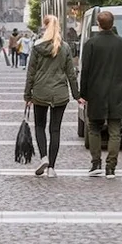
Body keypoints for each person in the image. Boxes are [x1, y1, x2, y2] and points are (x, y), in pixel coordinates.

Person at [79, 10, 122, 179]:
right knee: (115, 131)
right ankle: (111, 167)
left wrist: (82, 93)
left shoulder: (91, 44)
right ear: (113, 24)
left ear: (98, 25)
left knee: (94, 128)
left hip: (96, 92)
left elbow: (85, 71)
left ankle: (95, 163)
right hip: (117, 92)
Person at [24, 15, 81, 178]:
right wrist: (77, 96)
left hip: (41, 92)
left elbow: (31, 73)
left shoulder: (37, 47)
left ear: (44, 28)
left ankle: (43, 157)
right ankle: (52, 168)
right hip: (60, 94)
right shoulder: (64, 48)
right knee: (55, 130)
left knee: (40, 127)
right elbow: (71, 74)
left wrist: (27, 95)